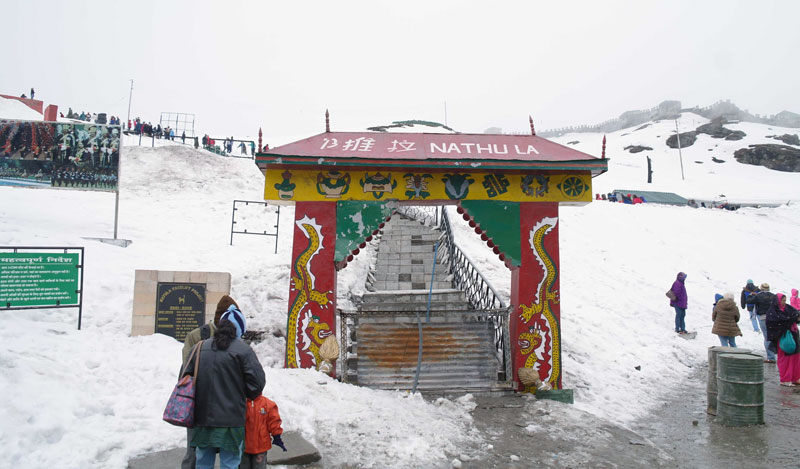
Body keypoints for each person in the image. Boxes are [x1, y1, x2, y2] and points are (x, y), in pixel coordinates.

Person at [184, 305, 266, 469]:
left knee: (203, 462)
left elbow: (185, 377)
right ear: (239, 330)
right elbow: (257, 385)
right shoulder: (244, 351)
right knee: (230, 463)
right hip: (232, 420)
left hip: (202, 419)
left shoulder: (199, 348)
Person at [180, 295, 240, 469]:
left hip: (200, 405)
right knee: (227, 455)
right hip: (224, 406)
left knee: (197, 452)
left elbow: (187, 367)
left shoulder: (195, 337)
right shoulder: (233, 340)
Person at [241, 395, 287, 469]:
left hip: (260, 447)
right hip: (244, 447)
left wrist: (277, 436)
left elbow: (274, 422)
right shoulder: (241, 403)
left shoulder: (268, 404)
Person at [766, 293, 800, 386]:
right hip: (782, 337)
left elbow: (795, 316)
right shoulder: (773, 312)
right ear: (777, 301)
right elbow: (774, 324)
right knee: (786, 358)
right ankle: (785, 379)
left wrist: (795, 318)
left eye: (785, 300)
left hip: (793, 335)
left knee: (796, 357)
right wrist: (790, 320)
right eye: (782, 300)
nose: (784, 302)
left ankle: (795, 378)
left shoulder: (789, 308)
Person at [746, 283, 777, 363]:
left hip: (763, 318)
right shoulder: (773, 296)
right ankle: (774, 354)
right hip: (773, 318)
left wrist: (750, 295)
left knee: (767, 337)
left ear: (761, 288)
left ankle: (771, 357)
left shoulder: (758, 296)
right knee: (772, 336)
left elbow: (749, 301)